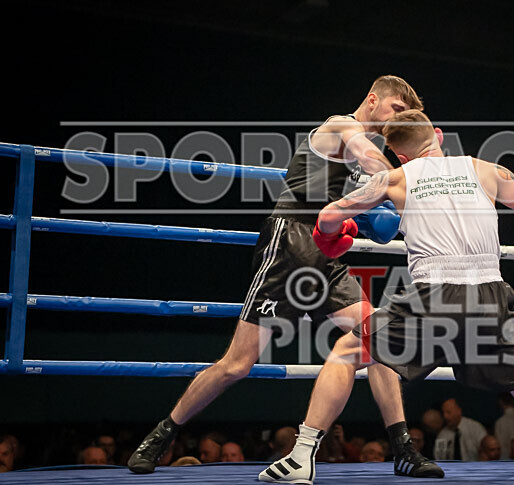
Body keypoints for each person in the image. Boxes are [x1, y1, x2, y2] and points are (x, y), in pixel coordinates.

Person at [259, 110, 514, 484]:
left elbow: (327, 216)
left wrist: (333, 234)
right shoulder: (485, 170)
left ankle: (301, 456)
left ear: (398, 154)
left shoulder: (395, 178)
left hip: (432, 296)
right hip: (491, 296)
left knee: (347, 352)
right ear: (438, 137)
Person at [127, 75, 440, 479]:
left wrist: (367, 216)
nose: (397, 118)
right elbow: (371, 161)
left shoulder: (370, 157)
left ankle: (403, 449)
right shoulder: (342, 126)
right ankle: (159, 436)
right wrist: (416, 182)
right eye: (397, 109)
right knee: (238, 363)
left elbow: (372, 221)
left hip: (325, 254)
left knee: (376, 338)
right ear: (373, 99)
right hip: (289, 243)